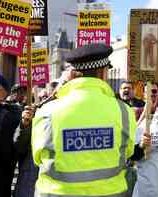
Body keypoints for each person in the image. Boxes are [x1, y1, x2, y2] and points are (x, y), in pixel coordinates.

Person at [32, 43, 137, 197]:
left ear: (73, 74)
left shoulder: (47, 110)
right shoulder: (123, 111)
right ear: (103, 73)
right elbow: (128, 151)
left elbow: (38, 157)